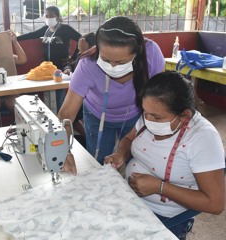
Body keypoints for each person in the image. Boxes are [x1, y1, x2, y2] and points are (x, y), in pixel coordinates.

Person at [104, 71, 225, 239]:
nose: (148, 119)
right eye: (145, 112)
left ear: (184, 116)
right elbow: (129, 137)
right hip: (130, 199)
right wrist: (120, 154)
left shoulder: (203, 138)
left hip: (167, 217)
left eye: (156, 117)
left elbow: (216, 204)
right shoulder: (151, 113)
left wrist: (159, 187)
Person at [58, 16, 165, 173]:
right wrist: (63, 149)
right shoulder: (87, 65)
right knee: (99, 162)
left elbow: (160, 100)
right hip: (96, 115)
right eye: (105, 59)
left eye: (121, 62)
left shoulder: (151, 54)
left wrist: (125, 148)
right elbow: (66, 114)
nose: (113, 67)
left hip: (136, 115)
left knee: (133, 160)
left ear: (137, 54)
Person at [17, 5, 81, 70]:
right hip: (48, 66)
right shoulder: (45, 29)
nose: (49, 18)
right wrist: (15, 38)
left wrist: (74, 57)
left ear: (58, 17)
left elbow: (81, 38)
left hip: (62, 66)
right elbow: (31, 35)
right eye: (47, 16)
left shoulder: (65, 29)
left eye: (51, 16)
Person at [0, 28, 27, 129]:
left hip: (9, 93)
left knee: (16, 105)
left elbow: (23, 60)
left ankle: (21, 131)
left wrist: (14, 41)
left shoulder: (6, 56)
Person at [61, 32, 96, 147]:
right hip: (83, 96)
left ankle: (85, 138)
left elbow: (80, 65)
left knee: (71, 114)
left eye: (81, 42)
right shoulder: (83, 56)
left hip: (90, 98)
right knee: (70, 113)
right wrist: (67, 68)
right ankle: (85, 136)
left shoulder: (92, 58)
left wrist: (82, 51)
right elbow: (72, 64)